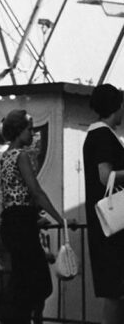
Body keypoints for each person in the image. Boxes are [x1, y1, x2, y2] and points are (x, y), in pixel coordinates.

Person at [0, 109, 64, 324]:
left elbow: (11, 192)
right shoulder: (21, 156)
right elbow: (35, 191)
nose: (32, 134)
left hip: (11, 221)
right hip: (22, 222)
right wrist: (59, 218)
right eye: (29, 130)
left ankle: (18, 317)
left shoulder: (4, 157)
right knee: (38, 280)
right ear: (19, 131)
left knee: (21, 276)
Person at [83, 83, 124, 324]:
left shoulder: (96, 134)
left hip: (107, 221)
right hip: (111, 223)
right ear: (117, 106)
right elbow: (104, 174)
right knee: (114, 290)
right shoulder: (102, 135)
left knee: (116, 289)